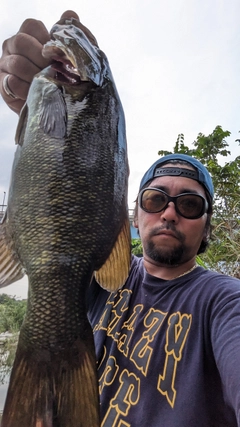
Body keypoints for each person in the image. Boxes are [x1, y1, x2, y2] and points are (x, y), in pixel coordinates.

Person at [1, 11, 240, 427]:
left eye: (189, 205)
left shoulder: (223, 301)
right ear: (132, 212)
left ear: (207, 228)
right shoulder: (99, 284)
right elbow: (58, 172)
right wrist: (37, 112)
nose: (168, 212)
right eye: (154, 198)